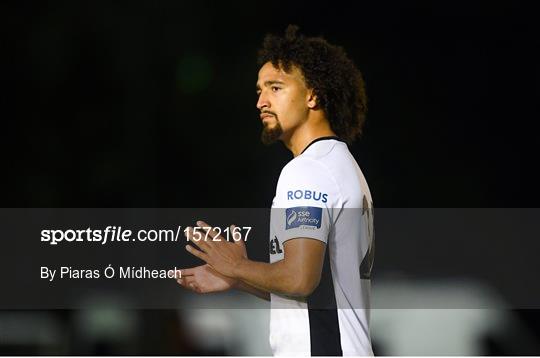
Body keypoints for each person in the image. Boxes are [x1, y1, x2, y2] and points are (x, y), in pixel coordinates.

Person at [175, 25, 374, 356]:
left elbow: (299, 279)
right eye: (259, 90)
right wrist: (240, 278)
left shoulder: (308, 171)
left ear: (313, 94)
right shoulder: (339, 165)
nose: (261, 102)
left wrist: (236, 265)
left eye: (275, 88)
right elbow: (314, 292)